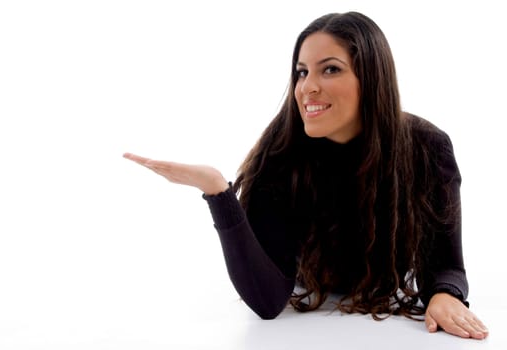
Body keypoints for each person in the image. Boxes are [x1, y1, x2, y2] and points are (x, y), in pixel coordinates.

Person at [123, 11, 488, 340]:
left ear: (371, 77)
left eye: (330, 69)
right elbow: (267, 301)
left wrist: (444, 295)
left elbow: (447, 264)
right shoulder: (281, 153)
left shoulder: (428, 146)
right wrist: (218, 192)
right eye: (302, 72)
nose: (306, 87)